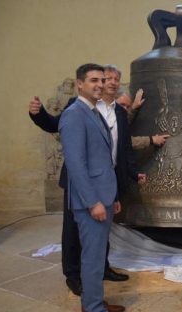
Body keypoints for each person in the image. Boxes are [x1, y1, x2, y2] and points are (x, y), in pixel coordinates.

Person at [28, 64, 146, 296]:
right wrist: (38, 113)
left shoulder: (120, 112)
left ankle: (101, 269)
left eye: (114, 79)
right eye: (105, 78)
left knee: (101, 232)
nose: (109, 82)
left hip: (107, 181)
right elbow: (56, 125)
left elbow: (123, 150)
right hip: (81, 181)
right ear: (83, 84)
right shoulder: (80, 107)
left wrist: (129, 178)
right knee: (73, 231)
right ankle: (73, 275)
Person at [59, 63, 127, 312]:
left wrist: (112, 196)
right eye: (93, 80)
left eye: (102, 80)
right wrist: (93, 202)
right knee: (93, 257)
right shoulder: (74, 114)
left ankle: (92, 302)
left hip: (104, 194)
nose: (99, 85)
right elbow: (75, 164)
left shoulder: (94, 111)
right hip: (91, 200)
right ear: (79, 84)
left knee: (96, 255)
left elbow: (104, 160)